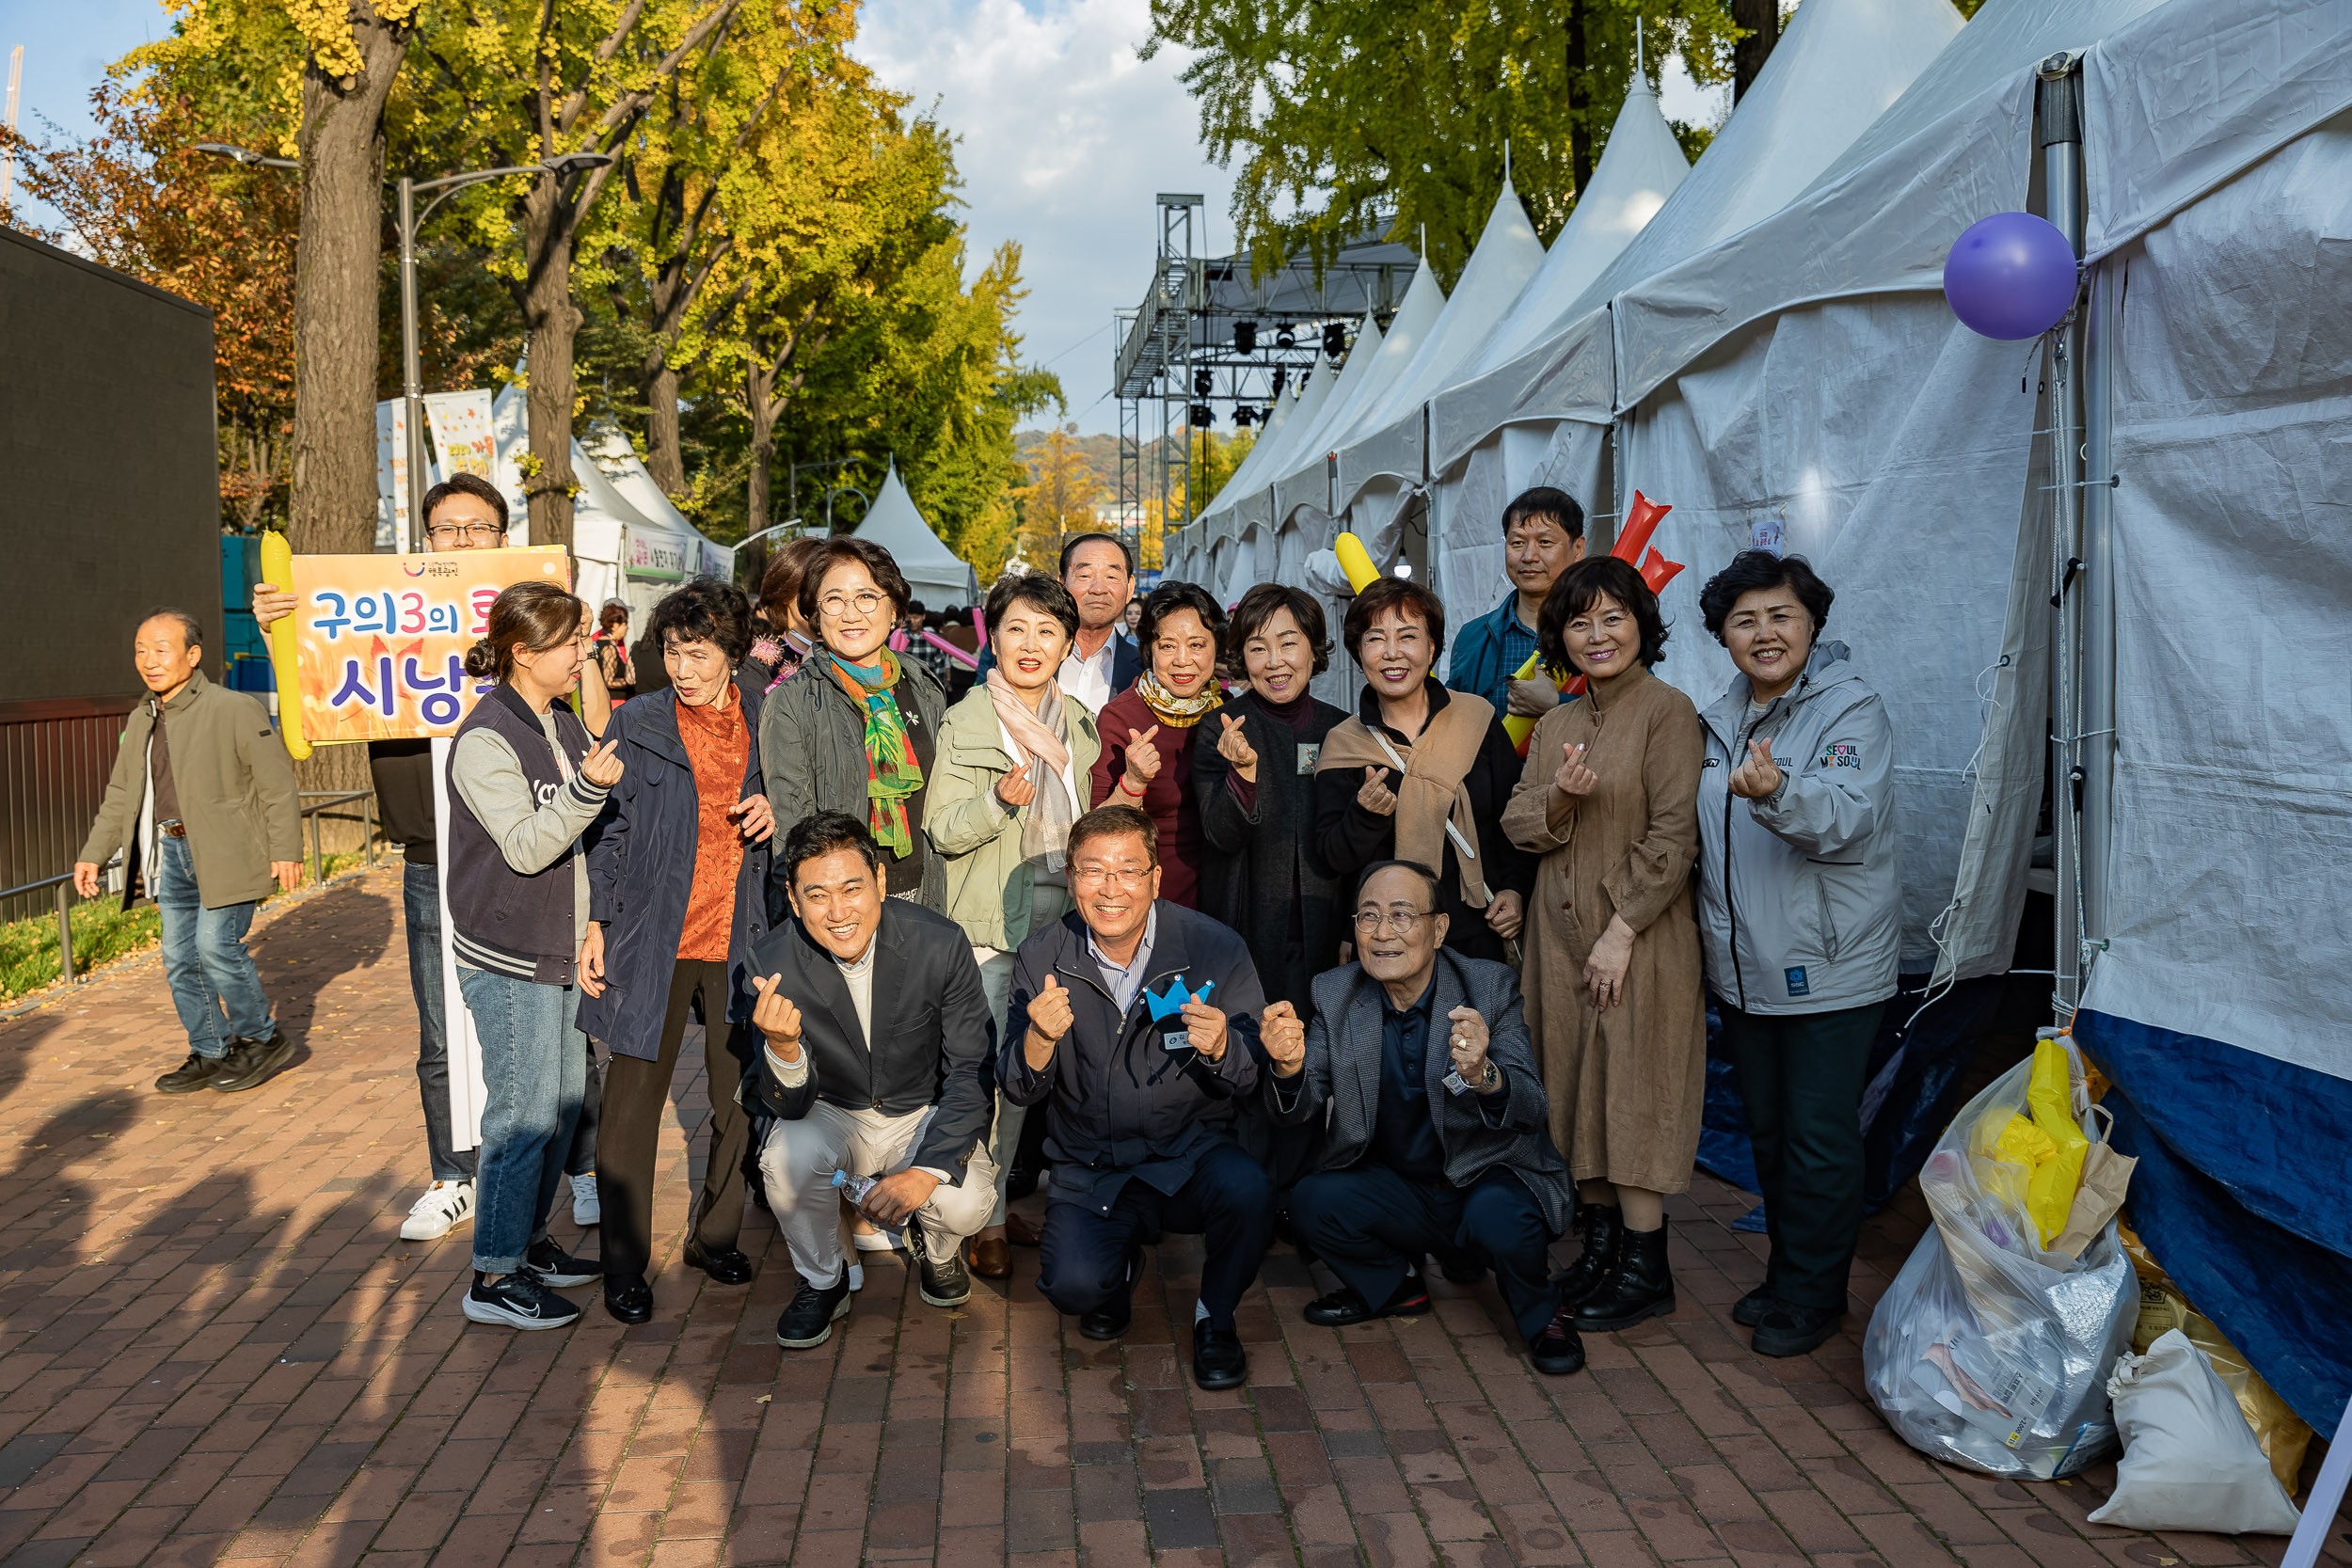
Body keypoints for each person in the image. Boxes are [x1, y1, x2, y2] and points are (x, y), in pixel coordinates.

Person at [250, 471, 603, 1242]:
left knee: (562, 1026)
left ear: (504, 539)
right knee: (443, 1027)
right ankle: (455, 1173)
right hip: (429, 855)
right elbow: (311, 680)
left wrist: (587, 645)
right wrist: (280, 624)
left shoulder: (536, 628)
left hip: (534, 857)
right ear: (426, 541)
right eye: (448, 529)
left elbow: (595, 720)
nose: (464, 541)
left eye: (479, 528)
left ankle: (579, 1164)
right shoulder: (383, 612)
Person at [1693, 551, 1899, 1358]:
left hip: (1830, 966)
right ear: (1724, 637)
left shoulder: (1851, 710)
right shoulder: (1721, 715)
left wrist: (1778, 792)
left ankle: (1816, 1294)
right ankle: (1789, 1273)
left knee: (1818, 1135)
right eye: (1744, 620)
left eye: (1781, 615)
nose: (1764, 632)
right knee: (1773, 1134)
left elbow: (1848, 817)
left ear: (1812, 623)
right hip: (1745, 967)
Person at [1266, 861, 1586, 1376]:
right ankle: (1396, 1287)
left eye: (1401, 916)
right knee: (1311, 1202)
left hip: (1484, 1176)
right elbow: (1300, 1105)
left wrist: (1485, 1073)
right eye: (1368, 917)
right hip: (1401, 1188)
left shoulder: (1486, 986)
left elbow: (1530, 1105)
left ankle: (1542, 1314)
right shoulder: (1337, 993)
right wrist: (1287, 1069)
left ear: (1438, 929)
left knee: (1500, 1219)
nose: (1383, 933)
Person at [998, 803, 1272, 1391]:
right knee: (1073, 1288)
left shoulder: (1213, 947)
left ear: (1155, 878)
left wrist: (1224, 1045)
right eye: (1094, 870)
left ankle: (1215, 1319)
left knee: (1248, 1191)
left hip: (1190, 1155)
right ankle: (1115, 1269)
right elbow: (1017, 1085)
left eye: (1128, 870)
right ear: (1071, 879)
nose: (1111, 888)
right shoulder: (1042, 956)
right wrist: (1039, 1040)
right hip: (1091, 1162)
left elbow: (1251, 1077)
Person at [1500, 556, 1705, 1335]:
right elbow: (1519, 821)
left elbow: (1673, 835)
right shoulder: (1556, 723)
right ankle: (1600, 1251)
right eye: (1579, 621)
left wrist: (1621, 932)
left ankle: (1647, 1266)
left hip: (1637, 941)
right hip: (1558, 942)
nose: (1597, 634)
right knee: (1575, 1087)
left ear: (1642, 626)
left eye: (1613, 617)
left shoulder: (1668, 711)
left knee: (1632, 1089)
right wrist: (1559, 795)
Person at [578, 580, 776, 1323]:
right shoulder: (636, 723)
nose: (683, 667)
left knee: (740, 1095)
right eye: (671, 651)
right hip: (651, 938)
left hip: (739, 939)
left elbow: (798, 797)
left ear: (732, 651)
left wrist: (777, 808)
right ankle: (623, 1267)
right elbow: (608, 832)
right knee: (631, 1107)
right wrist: (598, 921)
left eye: (698, 652)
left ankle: (714, 1234)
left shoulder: (767, 718)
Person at [742, 813, 998, 1349]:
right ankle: (823, 1280)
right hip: (833, 1109)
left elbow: (972, 1070)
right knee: (785, 1158)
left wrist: (925, 1172)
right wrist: (784, 1049)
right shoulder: (770, 961)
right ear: (792, 899)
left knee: (967, 1200)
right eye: (817, 895)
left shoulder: (940, 944)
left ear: (880, 881)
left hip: (918, 1110)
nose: (838, 913)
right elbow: (777, 1103)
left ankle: (938, 1250)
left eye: (851, 889)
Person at [444, 580, 618, 1328]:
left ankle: (530, 1242)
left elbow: (582, 852)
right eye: (572, 643)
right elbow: (525, 847)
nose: (585, 654)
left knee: (562, 1104)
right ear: (524, 652)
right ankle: (492, 1274)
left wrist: (592, 926)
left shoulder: (560, 720)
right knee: (522, 1114)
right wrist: (584, 789)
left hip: (559, 945)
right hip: (509, 955)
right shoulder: (485, 738)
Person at [924, 574, 1101, 1279]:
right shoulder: (966, 719)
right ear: (992, 635)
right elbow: (941, 829)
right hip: (991, 925)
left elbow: (1087, 821)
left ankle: (996, 1203)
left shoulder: (1078, 724)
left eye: (1047, 631)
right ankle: (985, 1220)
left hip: (1065, 920)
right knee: (993, 1074)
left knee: (1041, 1065)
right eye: (1017, 628)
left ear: (1065, 645)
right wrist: (997, 801)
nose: (1031, 644)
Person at [74, 609, 303, 1094]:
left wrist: (286, 849)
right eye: (140, 649)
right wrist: (93, 854)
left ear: (192, 655)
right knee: (179, 958)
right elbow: (121, 795)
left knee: (215, 947)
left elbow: (277, 785)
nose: (149, 660)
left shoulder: (233, 707)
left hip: (227, 851)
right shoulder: (143, 717)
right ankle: (211, 1049)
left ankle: (263, 1039)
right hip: (169, 853)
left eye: (161, 649)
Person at [1311, 577, 1533, 965]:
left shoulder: (1476, 720)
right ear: (1359, 653)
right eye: (1376, 639)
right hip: (1387, 942)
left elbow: (1512, 820)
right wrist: (1365, 815)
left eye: (1408, 637)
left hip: (1477, 932)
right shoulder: (1345, 744)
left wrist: (1514, 890)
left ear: (1432, 649)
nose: (1392, 653)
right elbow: (1333, 860)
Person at [760, 537, 949, 911]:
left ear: (893, 608)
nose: (850, 615)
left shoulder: (924, 687)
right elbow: (791, 829)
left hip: (925, 894)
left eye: (866, 597)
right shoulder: (792, 701)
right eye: (833, 600)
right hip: (840, 907)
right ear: (816, 614)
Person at [1195, 583, 1348, 1011]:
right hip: (1247, 929)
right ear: (1241, 658)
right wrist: (1243, 774)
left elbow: (1355, 849)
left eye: (1289, 643)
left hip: (1326, 928)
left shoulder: (1342, 731)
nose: (1275, 662)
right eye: (1258, 648)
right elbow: (1221, 836)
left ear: (1314, 651)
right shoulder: (1221, 728)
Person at [1089, 580, 1226, 909]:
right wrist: (1133, 783)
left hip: (1228, 895)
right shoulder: (1121, 718)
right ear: (1149, 648)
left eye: (1197, 645)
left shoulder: (1229, 712)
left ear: (1216, 647)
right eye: (1167, 646)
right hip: (1154, 899)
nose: (1182, 660)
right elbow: (1095, 833)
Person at [1446, 487, 1589, 722]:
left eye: (1545, 542)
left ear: (1578, 549)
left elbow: (1635, 711)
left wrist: (1557, 704)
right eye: (1517, 542)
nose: (1529, 556)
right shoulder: (1473, 636)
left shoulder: (1604, 633)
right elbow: (1453, 720)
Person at [977, 533, 1142, 709]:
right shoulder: (1027, 656)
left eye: (1111, 577)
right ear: (1061, 584)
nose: (1098, 589)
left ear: (1130, 587)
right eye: (1085, 575)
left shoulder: (1147, 671)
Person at [745, 536, 825, 693]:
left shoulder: (851, 656)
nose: (822, 599)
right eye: (813, 589)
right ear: (785, 593)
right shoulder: (757, 664)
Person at [592, 601, 636, 704]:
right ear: (615, 625)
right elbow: (609, 681)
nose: (627, 627)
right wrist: (631, 682)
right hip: (614, 701)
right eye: (625, 624)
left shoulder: (601, 643)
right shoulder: (609, 647)